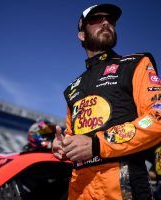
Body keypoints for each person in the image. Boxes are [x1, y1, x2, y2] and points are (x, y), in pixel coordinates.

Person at [52, 3, 161, 200]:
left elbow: (157, 118)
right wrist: (64, 147)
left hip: (123, 186)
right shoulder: (72, 88)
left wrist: (97, 144)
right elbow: (72, 135)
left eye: (110, 20)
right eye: (96, 19)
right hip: (79, 189)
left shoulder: (135, 64)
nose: (105, 23)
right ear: (82, 35)